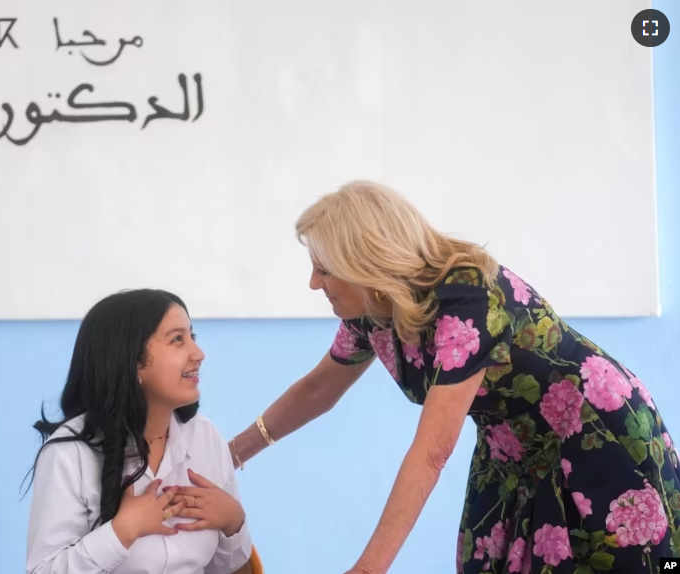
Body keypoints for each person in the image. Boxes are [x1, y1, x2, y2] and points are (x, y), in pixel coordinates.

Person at [227, 181, 680, 573]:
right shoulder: (373, 312)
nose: (313, 283)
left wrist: (368, 568)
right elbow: (318, 388)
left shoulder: (467, 296)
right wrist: (230, 453)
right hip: (513, 450)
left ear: (363, 263)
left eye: (323, 269)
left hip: (596, 436)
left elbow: (432, 450)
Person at [25, 289, 252, 574]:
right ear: (131, 360)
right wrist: (121, 532)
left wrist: (234, 522)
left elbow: (228, 569)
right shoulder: (69, 454)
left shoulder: (204, 436)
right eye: (177, 339)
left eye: (192, 337)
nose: (198, 353)